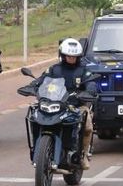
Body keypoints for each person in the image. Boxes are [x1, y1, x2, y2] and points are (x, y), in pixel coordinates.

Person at [26, 38, 97, 170]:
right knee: (33, 115)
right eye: (68, 56)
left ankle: (83, 155)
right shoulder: (54, 69)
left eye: (74, 56)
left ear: (79, 57)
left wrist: (89, 91)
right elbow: (42, 80)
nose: (71, 58)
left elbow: (91, 83)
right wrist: (32, 86)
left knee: (87, 125)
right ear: (62, 55)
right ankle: (38, 148)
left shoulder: (84, 71)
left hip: (75, 105)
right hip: (54, 103)